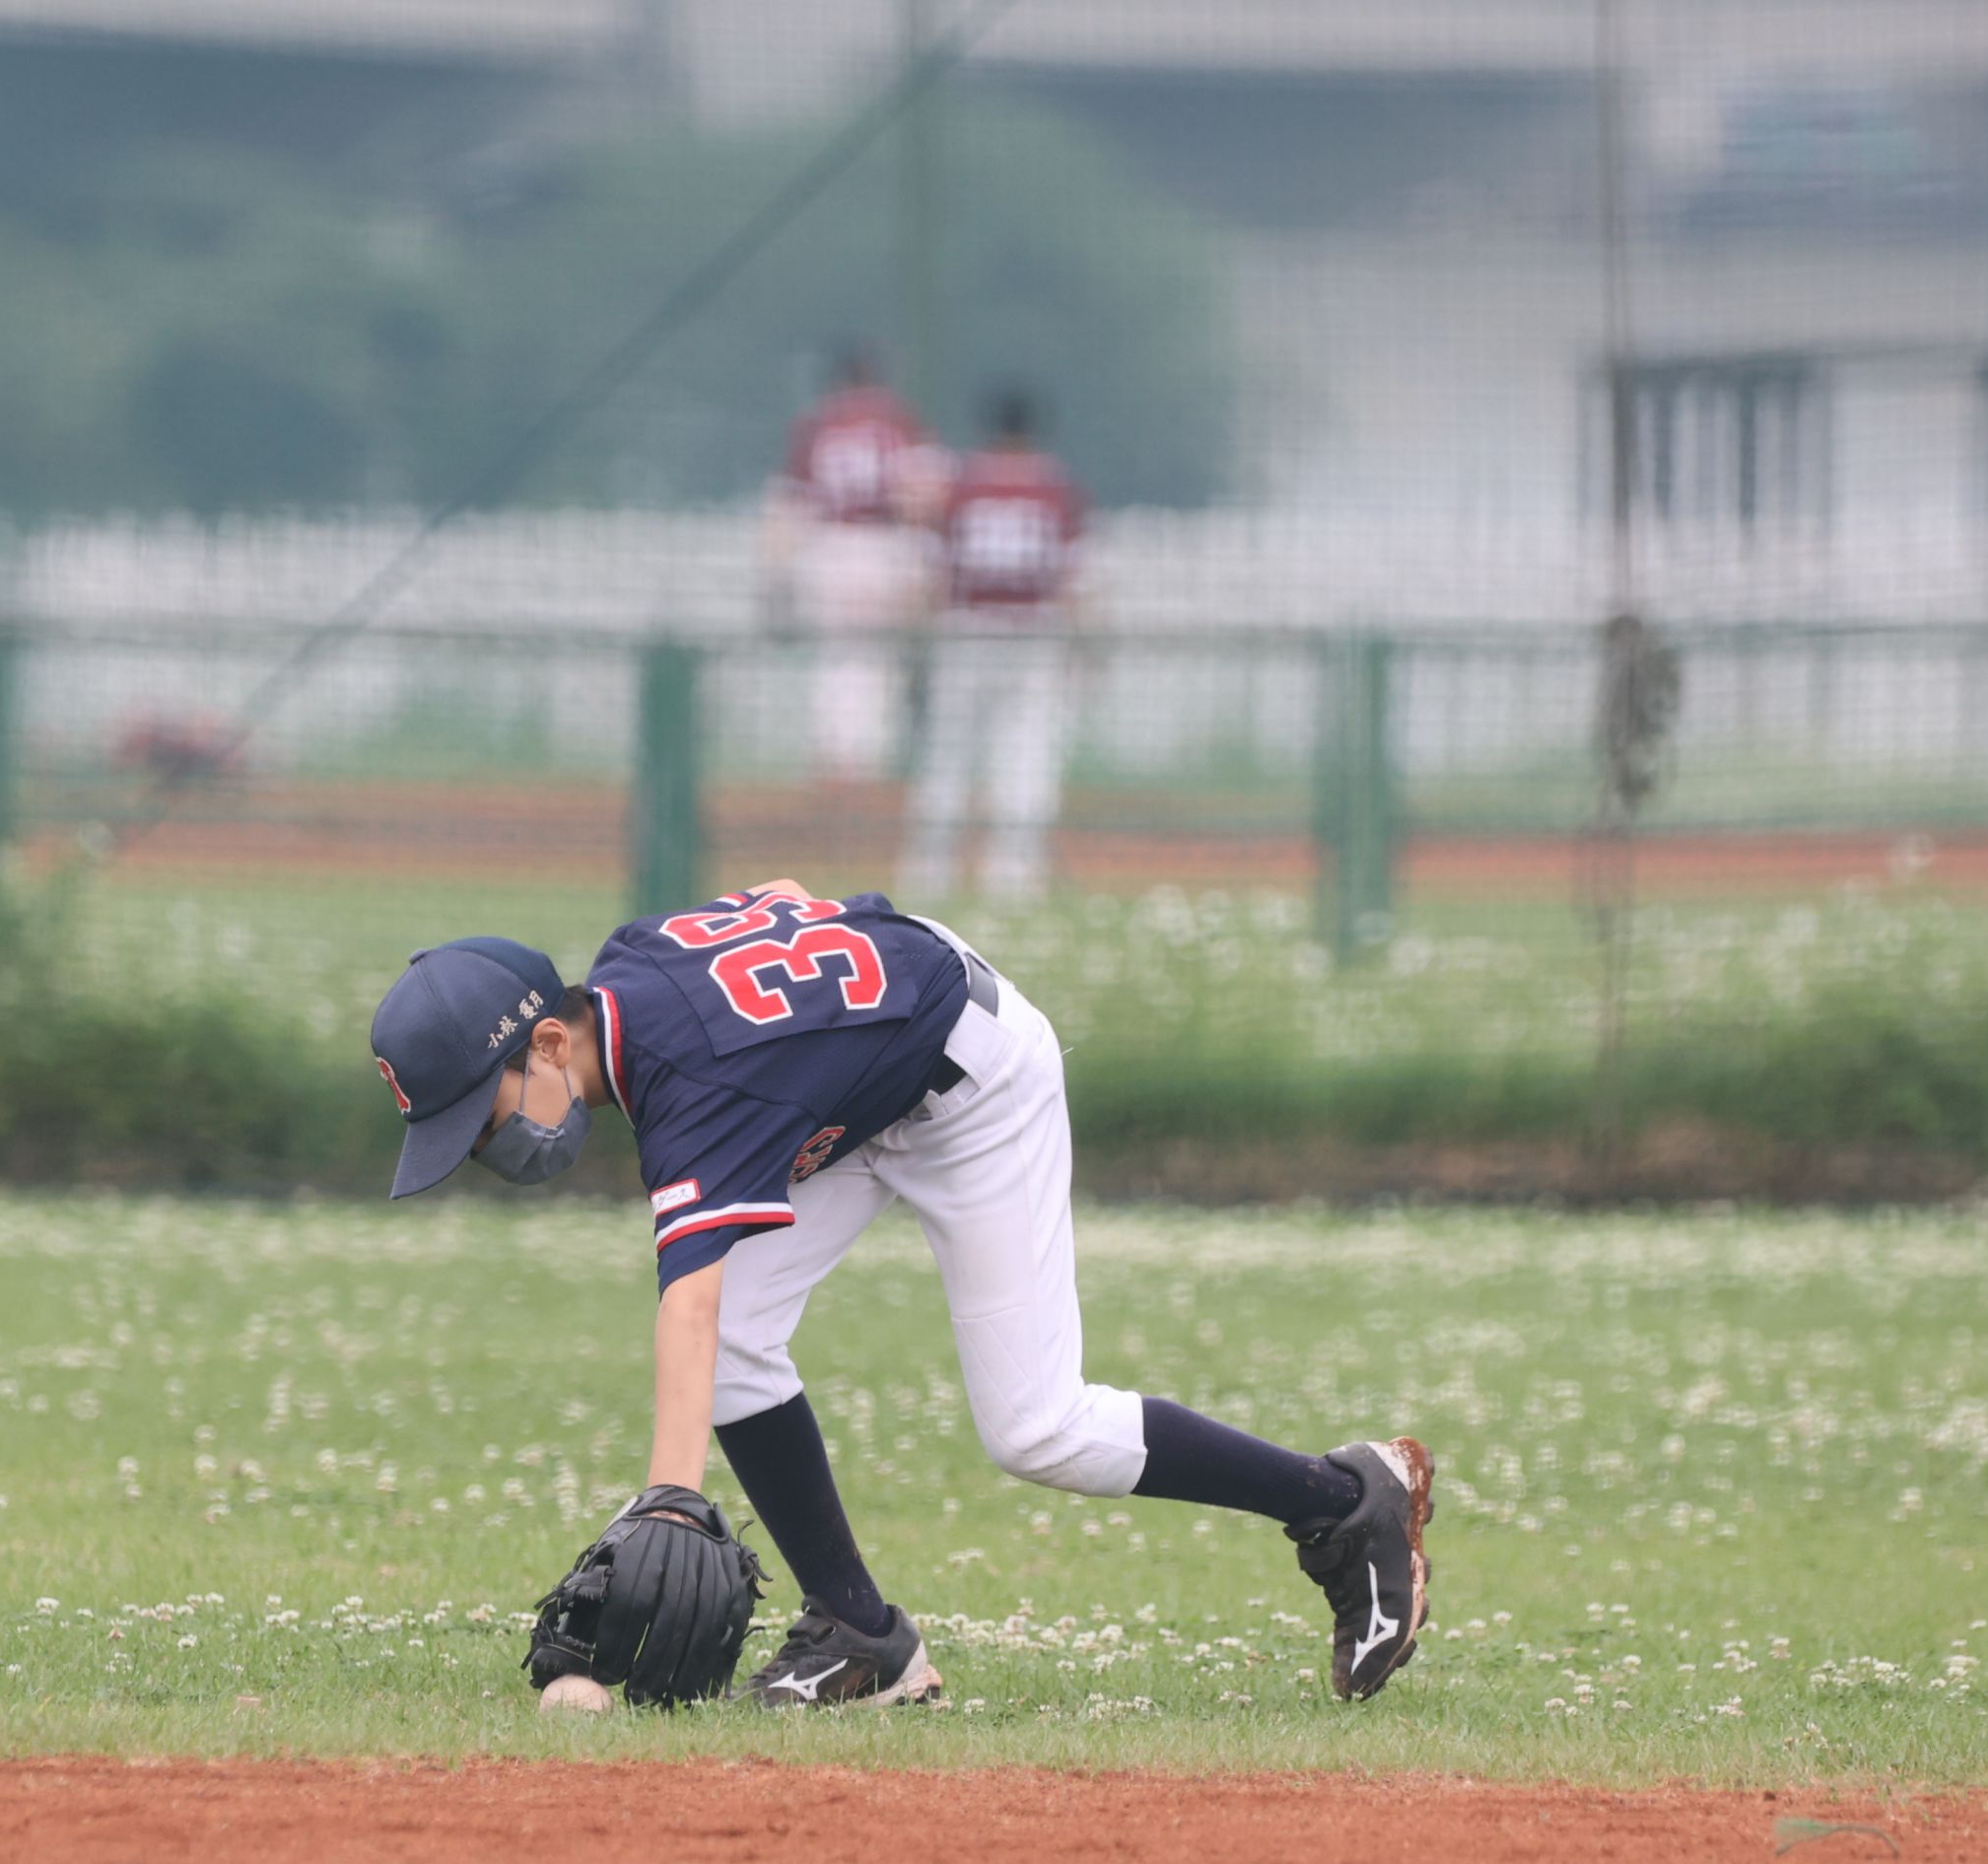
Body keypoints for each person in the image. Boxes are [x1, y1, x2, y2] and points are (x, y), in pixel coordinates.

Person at [368, 881, 1433, 1709]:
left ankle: (1344, 1504)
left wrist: (670, 1499)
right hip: (868, 1076)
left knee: (1036, 1427)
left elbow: (688, 1302)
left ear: (550, 1043)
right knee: (739, 1342)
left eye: (484, 1118)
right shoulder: (630, 962)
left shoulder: (695, 1084)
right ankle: (860, 1637)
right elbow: (784, 896)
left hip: (974, 1083)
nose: (488, 1147)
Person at [902, 388, 1083, 906]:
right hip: (1033, 629)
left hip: (966, 627)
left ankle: (928, 872)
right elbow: (1076, 579)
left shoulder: (962, 486)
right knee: (1027, 753)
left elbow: (931, 575)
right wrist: (1084, 647)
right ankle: (1013, 877)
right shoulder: (1056, 488)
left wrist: (918, 643)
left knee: (947, 753)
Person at [760, 347, 938, 791]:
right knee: (879, 665)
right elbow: (923, 496)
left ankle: (837, 763)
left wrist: (777, 581)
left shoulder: (817, 424)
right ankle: (864, 768)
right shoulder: (900, 420)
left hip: (832, 547)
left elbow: (788, 508)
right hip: (887, 546)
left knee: (837, 661)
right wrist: (922, 564)